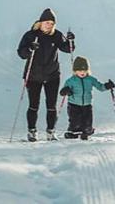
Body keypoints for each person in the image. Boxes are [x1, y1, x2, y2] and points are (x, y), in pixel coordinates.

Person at [16, 8, 74, 141]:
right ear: (40, 22)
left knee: (51, 105)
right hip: (33, 76)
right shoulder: (30, 35)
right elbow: (21, 53)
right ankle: (32, 131)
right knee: (33, 105)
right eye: (47, 22)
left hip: (52, 75)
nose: (49, 25)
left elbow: (68, 49)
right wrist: (30, 48)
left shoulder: (57, 35)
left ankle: (51, 132)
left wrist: (70, 41)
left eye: (52, 23)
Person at [59, 56, 115, 140]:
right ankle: (72, 133)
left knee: (87, 120)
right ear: (75, 71)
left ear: (88, 70)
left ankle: (86, 131)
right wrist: (65, 91)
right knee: (75, 121)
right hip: (74, 104)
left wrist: (107, 86)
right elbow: (63, 92)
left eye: (84, 71)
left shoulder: (91, 79)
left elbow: (100, 87)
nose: (82, 72)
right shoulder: (71, 80)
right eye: (79, 70)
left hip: (87, 104)